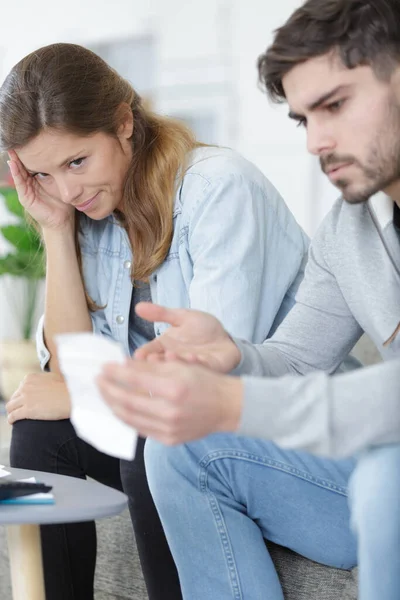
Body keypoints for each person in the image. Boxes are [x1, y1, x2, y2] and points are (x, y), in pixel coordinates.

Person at [98, 1, 400, 599]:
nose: (318, 141)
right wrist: (233, 356)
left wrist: (237, 405)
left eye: (335, 105)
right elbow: (293, 361)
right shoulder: (349, 229)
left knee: (384, 483)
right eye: (303, 119)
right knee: (178, 448)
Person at [0, 43, 312, 600]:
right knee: (38, 437)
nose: (67, 189)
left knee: (156, 443)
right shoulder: (80, 209)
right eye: (44, 174)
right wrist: (53, 228)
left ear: (124, 123)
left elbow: (205, 378)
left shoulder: (218, 187)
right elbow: (70, 365)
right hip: (155, 420)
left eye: (77, 161)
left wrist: (79, 397)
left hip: (259, 430)